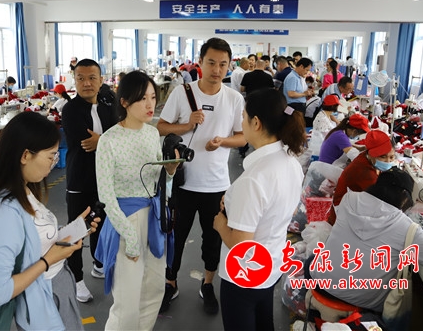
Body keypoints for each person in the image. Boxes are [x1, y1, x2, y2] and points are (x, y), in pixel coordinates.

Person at [0, 111, 99, 331]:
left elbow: (33, 239)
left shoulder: (24, 190)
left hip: (55, 291)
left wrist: (71, 231)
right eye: (51, 156)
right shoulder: (4, 211)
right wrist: (48, 260)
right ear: (25, 156)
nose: (53, 163)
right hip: (42, 304)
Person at [157, 37, 246, 315]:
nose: (217, 70)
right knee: (176, 236)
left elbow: (242, 137)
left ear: (229, 66)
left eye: (223, 64)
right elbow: (161, 127)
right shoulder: (181, 92)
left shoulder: (234, 98)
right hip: (182, 182)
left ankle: (207, 284)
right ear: (200, 63)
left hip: (217, 184)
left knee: (213, 239)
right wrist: (187, 125)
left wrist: (222, 142)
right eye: (211, 63)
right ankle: (170, 283)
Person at [309, 168, 423, 329]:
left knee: (313, 260)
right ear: (405, 196)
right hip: (361, 301)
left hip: (321, 282)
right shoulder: (408, 228)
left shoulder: (349, 199)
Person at [213, 88, 306, 331]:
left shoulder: (254, 178)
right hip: (271, 265)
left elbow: (241, 246)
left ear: (256, 123)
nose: (241, 123)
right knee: (265, 322)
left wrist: (220, 225)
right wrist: (234, 202)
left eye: (243, 117)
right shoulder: (291, 163)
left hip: (244, 274)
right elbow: (279, 209)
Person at [95, 71, 180, 331]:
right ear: (124, 102)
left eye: (153, 97)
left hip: (154, 217)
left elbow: (159, 182)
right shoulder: (108, 141)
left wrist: (170, 172)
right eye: (142, 99)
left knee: (153, 291)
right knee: (127, 301)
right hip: (125, 221)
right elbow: (106, 196)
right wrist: (129, 235)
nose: (150, 104)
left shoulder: (152, 134)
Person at [61, 58, 118, 303]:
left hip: (104, 179)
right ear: (74, 81)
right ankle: (76, 279)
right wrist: (108, 140)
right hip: (79, 180)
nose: (87, 83)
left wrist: (101, 140)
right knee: (77, 229)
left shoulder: (107, 106)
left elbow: (119, 135)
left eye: (92, 78)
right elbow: (85, 143)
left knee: (100, 223)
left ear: (101, 80)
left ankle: (98, 262)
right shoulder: (70, 110)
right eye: (81, 78)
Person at [327, 129, 396, 224]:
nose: (388, 161)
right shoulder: (364, 172)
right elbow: (378, 202)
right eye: (382, 157)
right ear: (371, 154)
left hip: (350, 209)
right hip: (343, 218)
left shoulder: (366, 158)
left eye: (392, 157)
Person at [307, 94, 341, 159]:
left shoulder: (325, 114)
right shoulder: (322, 119)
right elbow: (328, 137)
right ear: (333, 106)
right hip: (320, 151)